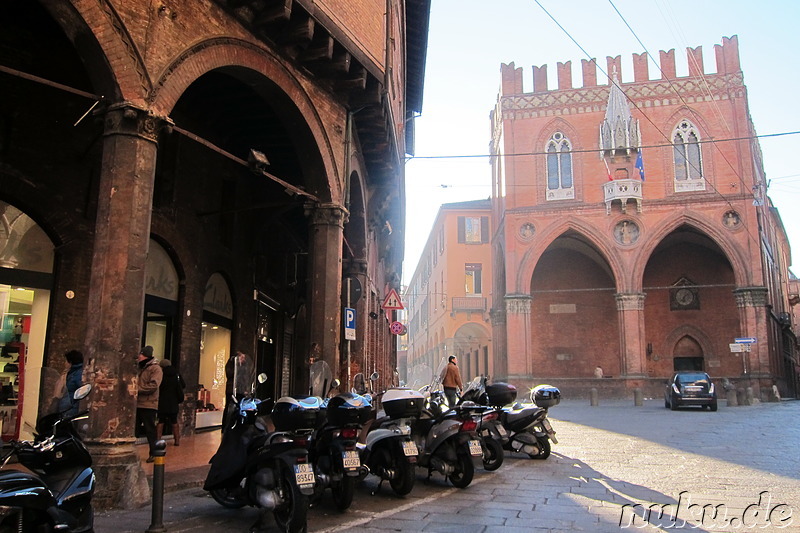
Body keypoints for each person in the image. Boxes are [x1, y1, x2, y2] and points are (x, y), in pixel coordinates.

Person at [136, 346, 163, 463]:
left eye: (140, 354)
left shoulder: (155, 369)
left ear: (145, 355)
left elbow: (154, 385)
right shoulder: (140, 367)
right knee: (134, 429)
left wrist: (137, 389)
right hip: (137, 403)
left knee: (150, 429)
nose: (138, 357)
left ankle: (154, 452)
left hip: (148, 403)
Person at [222, 351, 254, 431]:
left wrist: (247, 389)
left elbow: (246, 377)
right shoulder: (232, 365)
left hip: (241, 390)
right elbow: (229, 374)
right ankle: (226, 426)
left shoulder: (243, 366)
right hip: (232, 390)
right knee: (229, 407)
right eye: (242, 358)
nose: (243, 360)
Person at [157, 358, 185, 446]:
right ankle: (177, 440)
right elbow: (183, 385)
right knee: (174, 421)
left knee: (160, 421)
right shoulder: (176, 374)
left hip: (162, 401)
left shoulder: (161, 374)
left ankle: (158, 439)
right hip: (173, 402)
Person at [57, 349, 84, 417]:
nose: (64, 363)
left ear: (70, 362)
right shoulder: (71, 373)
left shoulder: (78, 374)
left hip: (71, 409)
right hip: (66, 408)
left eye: (66, 361)